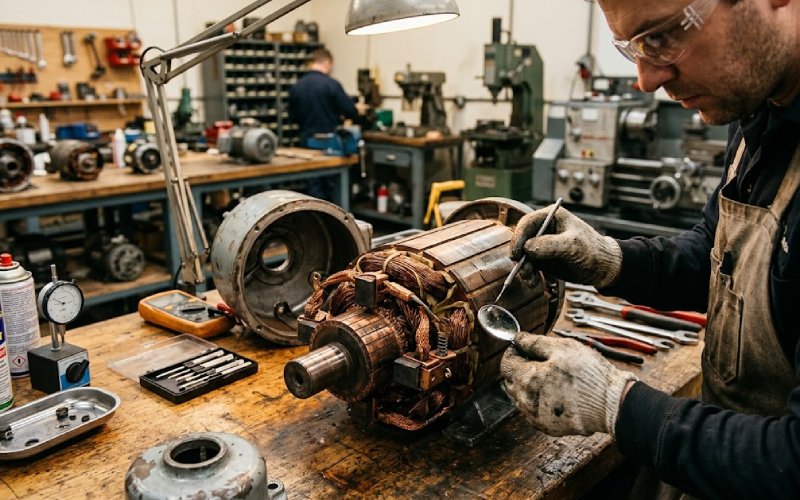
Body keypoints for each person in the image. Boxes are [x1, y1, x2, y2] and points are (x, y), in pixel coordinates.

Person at [500, 0, 800, 497]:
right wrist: (612, 260)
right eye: (633, 47)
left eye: (660, 36)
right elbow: (720, 255)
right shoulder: (760, 108)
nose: (645, 79)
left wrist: (616, 405)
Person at [288, 48, 360, 201]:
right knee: (333, 189)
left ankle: (316, 221)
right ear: (327, 62)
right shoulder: (331, 84)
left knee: (313, 188)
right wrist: (357, 110)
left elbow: (292, 117)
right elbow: (350, 112)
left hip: (306, 144)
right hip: (329, 144)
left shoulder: (297, 86)